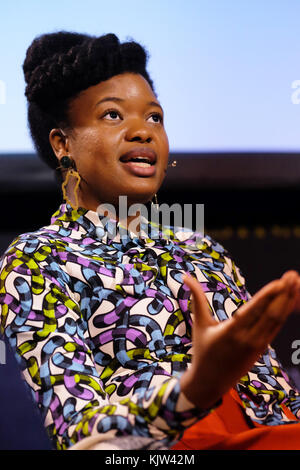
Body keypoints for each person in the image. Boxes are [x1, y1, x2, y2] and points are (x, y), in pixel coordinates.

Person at [1, 31, 300, 451]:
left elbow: (282, 401)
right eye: (112, 115)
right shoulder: (38, 259)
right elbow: (80, 433)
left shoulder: (204, 252)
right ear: (62, 143)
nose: (143, 131)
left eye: (155, 117)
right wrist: (193, 390)